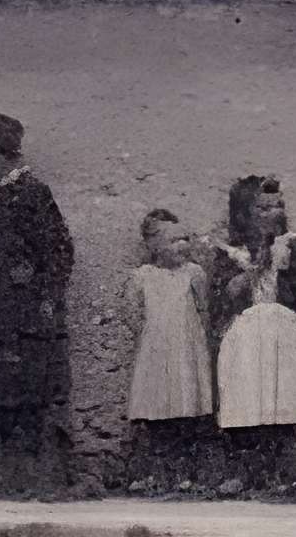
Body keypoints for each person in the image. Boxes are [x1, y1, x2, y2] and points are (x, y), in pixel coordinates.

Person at [0, 110, 76, 492]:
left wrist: (40, 287)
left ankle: (37, 475)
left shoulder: (31, 192)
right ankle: (4, 473)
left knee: (29, 394)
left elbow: (59, 250)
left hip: (25, 314)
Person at [209, 173, 296, 496]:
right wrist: (250, 272)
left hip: (282, 328)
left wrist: (290, 269)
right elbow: (220, 296)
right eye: (262, 209)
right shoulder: (232, 253)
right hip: (245, 331)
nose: (272, 214)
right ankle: (247, 470)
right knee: (247, 392)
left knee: (284, 392)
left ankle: (285, 472)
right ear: (243, 214)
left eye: (278, 206)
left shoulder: (292, 244)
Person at [121, 210, 215, 493]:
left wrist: (196, 343)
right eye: (173, 240)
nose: (182, 245)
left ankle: (184, 472)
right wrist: (152, 338)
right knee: (156, 408)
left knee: (186, 406)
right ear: (153, 244)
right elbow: (132, 315)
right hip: (156, 351)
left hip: (186, 350)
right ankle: (157, 473)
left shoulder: (193, 273)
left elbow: (203, 311)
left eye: (184, 238)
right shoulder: (142, 277)